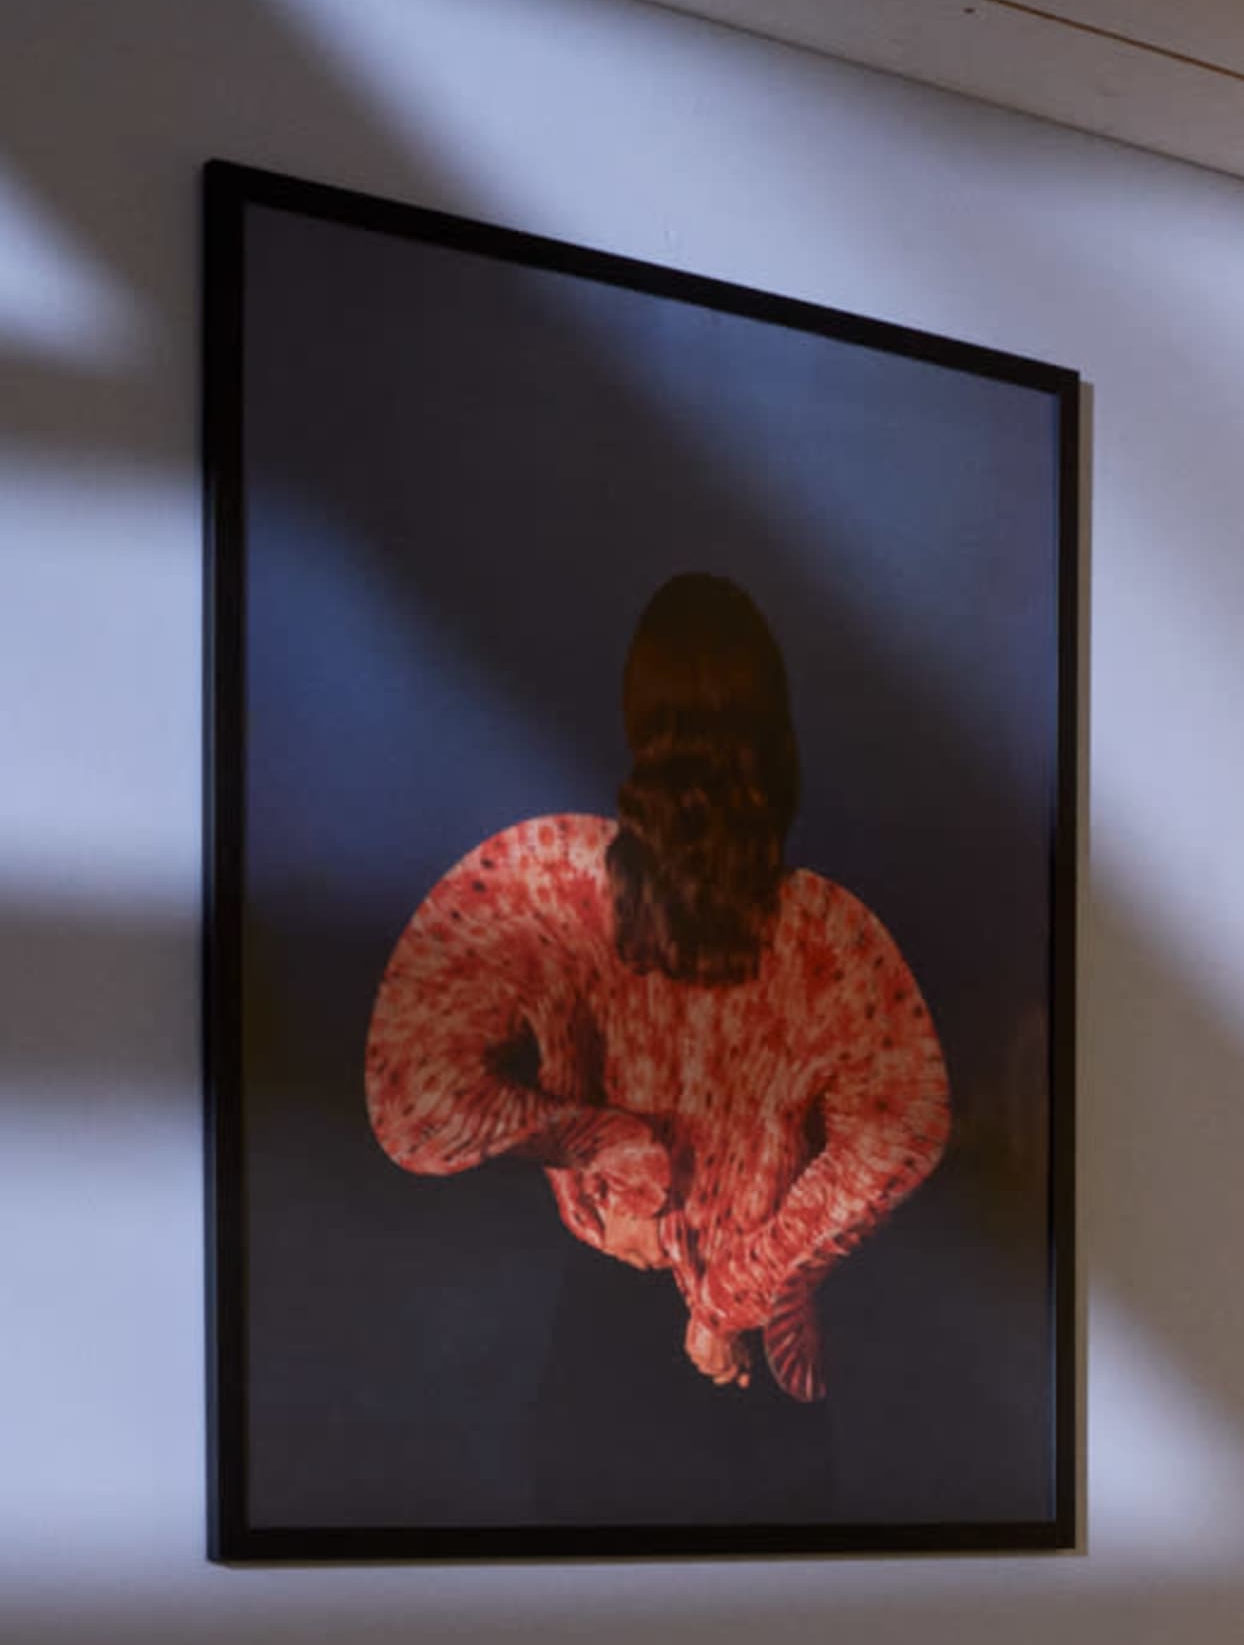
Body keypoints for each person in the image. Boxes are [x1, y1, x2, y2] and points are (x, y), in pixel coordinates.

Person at [363, 572, 948, 1408]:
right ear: (774, 726)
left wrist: (604, 1147)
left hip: (598, 1320)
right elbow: (901, 1134)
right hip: (741, 1352)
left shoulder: (549, 883)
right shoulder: (828, 934)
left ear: (638, 720)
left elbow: (414, 1093)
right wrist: (727, 1301)